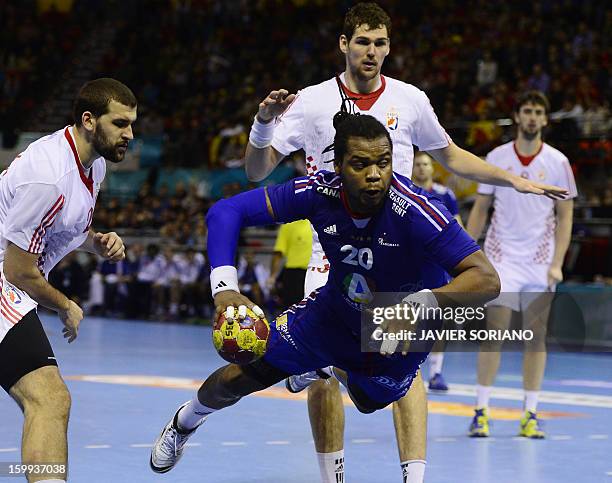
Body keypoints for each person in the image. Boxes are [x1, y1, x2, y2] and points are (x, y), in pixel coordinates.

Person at [242, 3, 566, 482]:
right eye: (362, 42)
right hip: (332, 253)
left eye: (380, 43)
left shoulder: (411, 100)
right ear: (343, 44)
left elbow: (452, 155)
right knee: (325, 374)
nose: (371, 52)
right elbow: (256, 170)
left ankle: (413, 477)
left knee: (405, 364)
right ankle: (333, 474)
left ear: (389, 47)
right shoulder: (311, 102)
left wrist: (512, 180)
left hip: (399, 254)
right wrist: (264, 123)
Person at [151, 113, 501, 478]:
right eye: (361, 164)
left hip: (398, 332)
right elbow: (227, 211)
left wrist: (419, 305)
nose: (374, 174)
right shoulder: (320, 192)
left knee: (368, 401)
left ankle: (328, 367)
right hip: (332, 315)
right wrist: (224, 290)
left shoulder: (418, 211)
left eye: (383, 162)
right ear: (338, 165)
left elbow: (487, 279)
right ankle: (185, 421)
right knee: (239, 376)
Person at [0, 77, 136, 483]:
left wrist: (96, 242)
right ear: (89, 120)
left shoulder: (92, 165)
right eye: (120, 124)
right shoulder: (50, 177)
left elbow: (65, 230)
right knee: (49, 398)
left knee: (47, 399)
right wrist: (65, 304)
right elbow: (18, 270)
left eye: (132, 124)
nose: (129, 134)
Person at [466, 91, 576, 438]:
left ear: (545, 120)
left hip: (540, 264)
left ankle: (530, 413)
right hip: (501, 261)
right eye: (526, 110)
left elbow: (565, 215)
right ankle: (481, 410)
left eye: (538, 112)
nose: (531, 117)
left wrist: (557, 263)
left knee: (535, 339)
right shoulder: (496, 158)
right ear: (517, 116)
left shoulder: (558, 162)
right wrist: (466, 255)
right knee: (493, 336)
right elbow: (481, 209)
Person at [411, 152, 462, 391]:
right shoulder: (404, 192)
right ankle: (408, 372)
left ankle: (437, 372)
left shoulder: (445, 195)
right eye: (418, 164)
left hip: (439, 265)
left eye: (426, 164)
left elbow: (458, 227)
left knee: (437, 320)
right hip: (410, 264)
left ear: (432, 169)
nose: (422, 168)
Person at [268, 219, 312, 307]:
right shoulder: (287, 225)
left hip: (313, 272)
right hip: (293, 275)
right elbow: (278, 253)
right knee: (292, 307)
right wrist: (272, 277)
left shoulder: (316, 223)